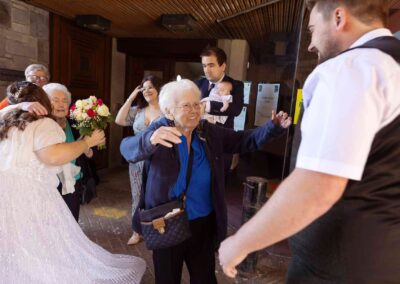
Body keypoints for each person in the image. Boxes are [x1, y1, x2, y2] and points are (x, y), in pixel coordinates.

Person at [218, 1, 400, 283]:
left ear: (339, 17)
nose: (312, 45)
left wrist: (240, 242)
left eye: (313, 30)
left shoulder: (350, 68)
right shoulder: (391, 65)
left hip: (338, 269)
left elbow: (318, 186)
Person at [120, 79, 291, 284]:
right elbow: (127, 148)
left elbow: (243, 140)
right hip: (166, 222)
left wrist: (272, 127)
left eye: (197, 104)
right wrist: (148, 140)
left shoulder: (207, 132)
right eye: (186, 105)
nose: (194, 110)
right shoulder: (160, 130)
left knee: (205, 279)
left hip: (202, 223)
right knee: (167, 279)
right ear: (168, 110)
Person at [0, 81, 146, 283]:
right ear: (43, 102)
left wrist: (18, 106)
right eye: (52, 100)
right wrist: (87, 142)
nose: (58, 105)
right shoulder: (43, 123)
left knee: (14, 245)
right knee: (43, 243)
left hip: (5, 192)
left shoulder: (5, 120)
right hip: (30, 194)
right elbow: (52, 156)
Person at [115, 75, 161, 245]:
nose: (147, 90)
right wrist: (131, 97)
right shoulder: (138, 110)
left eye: (150, 87)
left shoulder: (167, 110)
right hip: (137, 160)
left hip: (158, 159)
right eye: (144, 88)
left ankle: (155, 227)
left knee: (155, 194)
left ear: (158, 89)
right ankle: (137, 230)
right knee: (136, 194)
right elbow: (119, 120)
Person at [43, 83, 96, 221]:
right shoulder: (42, 126)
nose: (61, 104)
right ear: (46, 103)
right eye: (55, 100)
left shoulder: (76, 123)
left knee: (72, 220)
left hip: (73, 181)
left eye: (65, 101)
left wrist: (89, 150)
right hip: (50, 184)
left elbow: (89, 152)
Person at [196, 46, 245, 180]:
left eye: (211, 65)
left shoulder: (235, 85)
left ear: (223, 66)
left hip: (221, 143)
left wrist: (207, 105)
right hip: (197, 142)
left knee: (218, 184)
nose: (206, 69)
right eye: (204, 65)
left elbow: (235, 109)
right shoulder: (198, 83)